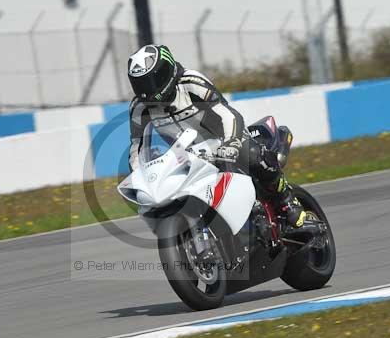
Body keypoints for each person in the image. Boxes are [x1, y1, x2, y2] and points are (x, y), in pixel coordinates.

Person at [126, 44, 305, 229]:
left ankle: (285, 198)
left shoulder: (190, 83)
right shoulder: (139, 108)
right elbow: (137, 146)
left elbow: (227, 114)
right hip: (186, 155)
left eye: (153, 80)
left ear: (168, 70)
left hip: (223, 140)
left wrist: (231, 143)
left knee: (250, 153)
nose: (148, 90)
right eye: (141, 84)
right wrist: (140, 176)